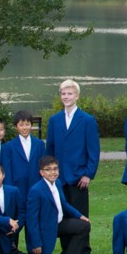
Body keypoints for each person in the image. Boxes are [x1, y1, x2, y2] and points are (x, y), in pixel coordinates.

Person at [45, 79, 100, 227]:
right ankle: (67, 249)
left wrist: (88, 174)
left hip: (79, 176)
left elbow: (94, 151)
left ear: (77, 96)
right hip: (58, 176)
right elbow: (50, 149)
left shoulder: (87, 120)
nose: (66, 97)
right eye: (63, 93)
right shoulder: (54, 120)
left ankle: (82, 250)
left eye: (70, 93)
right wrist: (49, 173)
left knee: (80, 216)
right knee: (62, 215)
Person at [25, 156, 91, 254]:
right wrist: (36, 243)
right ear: (41, 173)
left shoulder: (58, 183)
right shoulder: (36, 191)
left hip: (59, 224)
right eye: (48, 169)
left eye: (55, 169)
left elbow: (64, 204)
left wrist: (80, 216)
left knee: (84, 226)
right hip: (44, 230)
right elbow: (32, 220)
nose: (53, 172)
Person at [3, 110, 46, 230]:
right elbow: (7, 169)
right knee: (16, 217)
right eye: (21, 125)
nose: (24, 127)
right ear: (16, 126)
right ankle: (12, 246)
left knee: (33, 219)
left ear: (31, 125)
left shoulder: (39, 144)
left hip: (35, 186)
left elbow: (43, 167)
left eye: (27, 124)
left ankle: (33, 247)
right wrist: (10, 190)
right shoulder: (9, 146)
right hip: (17, 188)